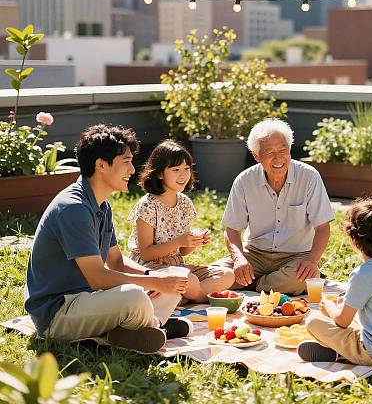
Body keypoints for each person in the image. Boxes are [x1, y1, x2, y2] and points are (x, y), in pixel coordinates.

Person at [25, 124, 192, 354]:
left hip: (89, 299)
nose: (133, 169)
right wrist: (152, 283)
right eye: (126, 162)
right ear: (101, 165)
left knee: (176, 277)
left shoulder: (102, 205)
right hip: (59, 313)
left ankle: (141, 328)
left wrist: (154, 276)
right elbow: (97, 277)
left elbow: (117, 262)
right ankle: (154, 327)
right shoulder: (73, 208)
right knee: (135, 296)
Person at [214, 118, 335, 294]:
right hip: (255, 255)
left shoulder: (309, 177)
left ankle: (254, 285)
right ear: (256, 156)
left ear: (290, 150)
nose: (278, 157)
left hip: (296, 256)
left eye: (282, 150)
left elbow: (323, 227)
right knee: (217, 276)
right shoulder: (244, 181)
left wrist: (312, 260)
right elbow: (232, 230)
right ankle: (264, 285)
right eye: (269, 152)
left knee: (302, 279)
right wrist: (239, 259)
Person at [299, 197, 372, 367]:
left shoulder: (362, 274)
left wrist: (328, 305)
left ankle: (344, 354)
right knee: (355, 319)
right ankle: (341, 352)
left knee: (313, 321)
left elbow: (342, 321)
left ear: (354, 239)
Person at [128, 139, 235, 302]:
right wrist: (179, 241)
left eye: (187, 168)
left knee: (227, 275)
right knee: (190, 281)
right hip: (151, 270)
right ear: (159, 173)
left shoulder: (184, 203)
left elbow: (182, 252)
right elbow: (146, 253)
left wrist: (193, 242)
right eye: (176, 169)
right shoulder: (147, 205)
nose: (183, 175)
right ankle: (201, 298)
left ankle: (180, 298)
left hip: (177, 267)